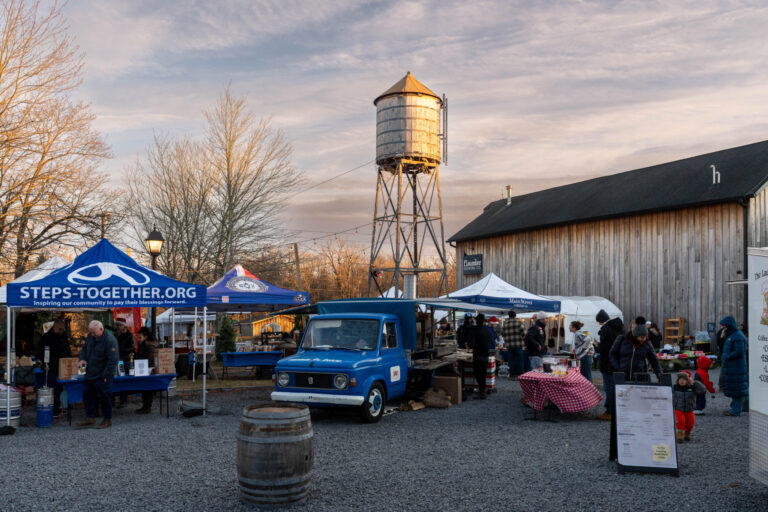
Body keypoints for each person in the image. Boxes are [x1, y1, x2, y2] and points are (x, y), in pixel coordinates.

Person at [77, 320, 119, 429]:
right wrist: (82, 359)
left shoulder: (110, 340)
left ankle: (107, 419)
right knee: (87, 395)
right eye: (90, 332)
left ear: (101, 329)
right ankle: (90, 417)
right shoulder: (90, 336)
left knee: (105, 396)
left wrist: (105, 376)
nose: (92, 335)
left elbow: (113, 360)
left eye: (94, 332)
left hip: (103, 374)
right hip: (90, 372)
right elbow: (84, 349)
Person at [35, 318, 71, 416]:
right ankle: (53, 409)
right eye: (60, 329)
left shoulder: (63, 337)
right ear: (54, 327)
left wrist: (68, 360)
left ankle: (59, 408)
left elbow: (67, 350)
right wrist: (51, 361)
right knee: (53, 389)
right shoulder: (46, 337)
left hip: (63, 367)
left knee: (60, 389)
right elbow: (39, 353)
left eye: (63, 329)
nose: (61, 331)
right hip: (51, 368)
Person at [595, 309, 624, 421]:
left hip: (608, 363)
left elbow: (605, 348)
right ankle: (617, 410)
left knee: (609, 387)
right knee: (617, 387)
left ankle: (609, 411)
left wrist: (596, 347)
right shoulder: (620, 328)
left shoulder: (606, 330)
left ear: (601, 320)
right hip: (619, 362)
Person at [720, 315, 748, 416]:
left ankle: (735, 411)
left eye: (725, 326)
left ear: (729, 325)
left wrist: (727, 357)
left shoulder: (737, 336)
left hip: (736, 367)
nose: (724, 328)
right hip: (733, 366)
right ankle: (734, 409)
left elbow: (739, 351)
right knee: (735, 388)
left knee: (737, 389)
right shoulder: (732, 335)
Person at [673, 370, 706, 442]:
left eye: (684, 379)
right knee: (681, 421)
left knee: (690, 423)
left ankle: (687, 433)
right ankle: (679, 435)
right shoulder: (675, 387)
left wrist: (695, 382)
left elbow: (702, 390)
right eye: (680, 379)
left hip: (690, 408)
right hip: (679, 408)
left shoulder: (693, 387)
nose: (681, 381)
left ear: (689, 380)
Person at [134, 327, 158, 414]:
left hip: (148, 370)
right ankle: (145, 407)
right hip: (144, 369)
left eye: (140, 337)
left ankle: (147, 407)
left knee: (147, 389)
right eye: (138, 337)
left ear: (145, 337)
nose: (138, 339)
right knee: (145, 389)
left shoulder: (149, 346)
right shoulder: (144, 345)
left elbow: (149, 359)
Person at [114, 319, 135, 409]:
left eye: (119, 325)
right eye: (117, 325)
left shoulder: (130, 335)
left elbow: (132, 347)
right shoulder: (115, 335)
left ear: (124, 326)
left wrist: (121, 350)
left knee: (125, 380)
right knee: (116, 380)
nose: (118, 327)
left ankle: (124, 400)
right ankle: (116, 400)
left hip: (125, 360)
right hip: (117, 360)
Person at [472, 314, 492, 399]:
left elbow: (471, 343)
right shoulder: (488, 331)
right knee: (483, 374)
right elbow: (489, 342)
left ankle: (482, 392)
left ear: (476, 321)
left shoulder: (474, 330)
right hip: (485, 355)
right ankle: (482, 392)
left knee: (477, 374)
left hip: (477, 355)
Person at [502, 311, 525, 379]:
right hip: (518, 346)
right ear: (515, 316)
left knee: (511, 361)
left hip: (509, 346)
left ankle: (512, 375)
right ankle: (520, 376)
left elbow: (503, 334)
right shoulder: (519, 322)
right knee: (520, 361)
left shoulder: (505, 324)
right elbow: (524, 333)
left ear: (508, 316)